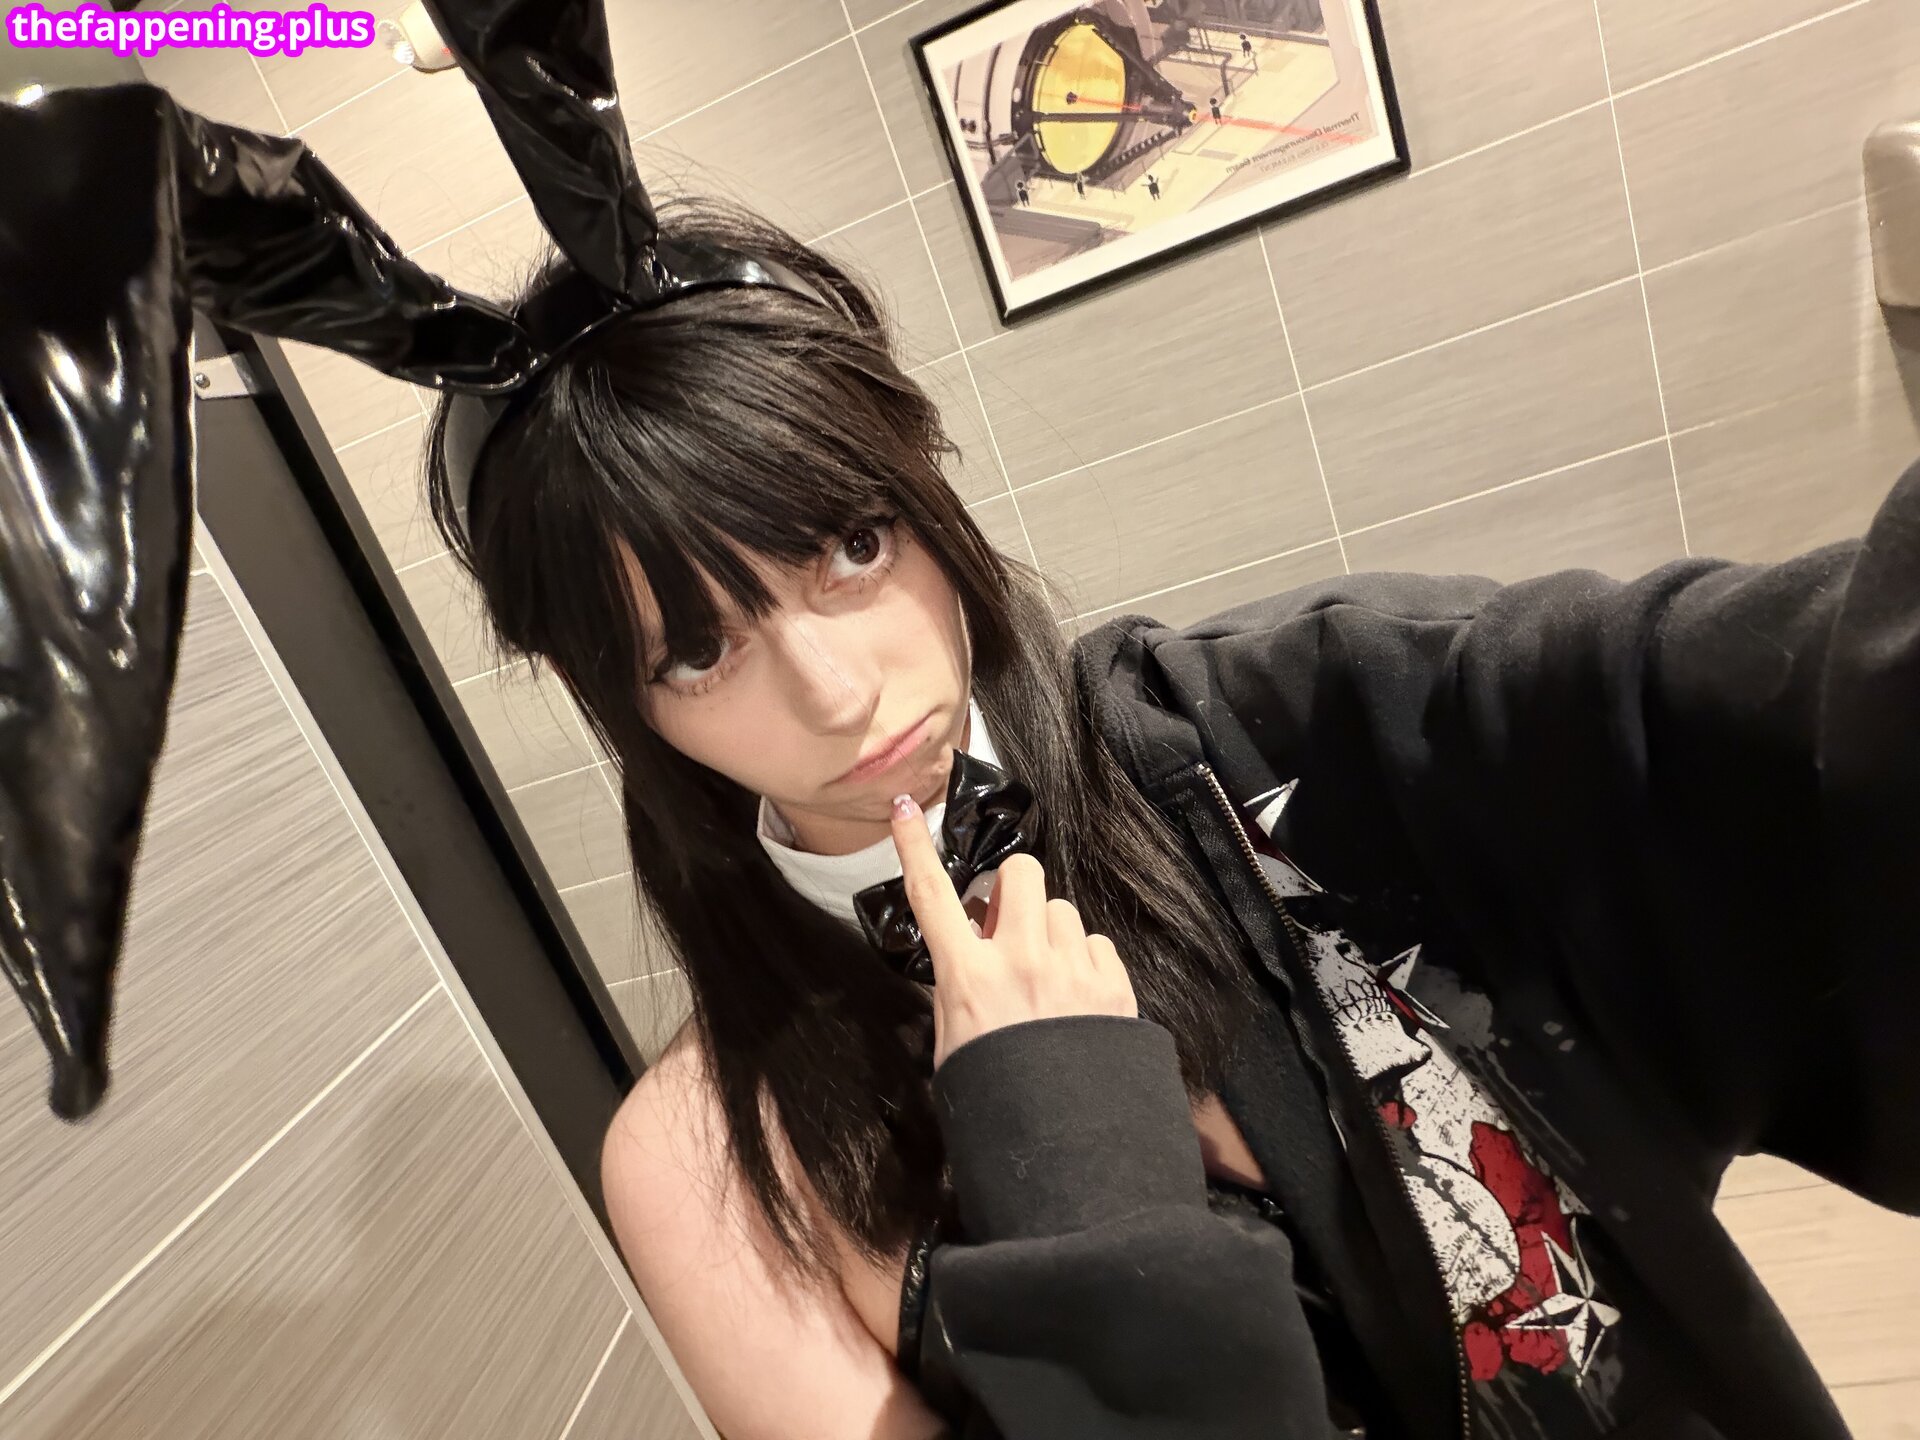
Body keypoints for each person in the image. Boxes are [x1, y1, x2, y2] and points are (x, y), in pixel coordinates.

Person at [420, 198, 1920, 1440]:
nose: (834, 692)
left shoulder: (1281, 723)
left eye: (851, 545)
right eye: (698, 651)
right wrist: (1068, 1153)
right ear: (625, 705)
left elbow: (1750, 703)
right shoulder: (710, 1162)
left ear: (921, 487)